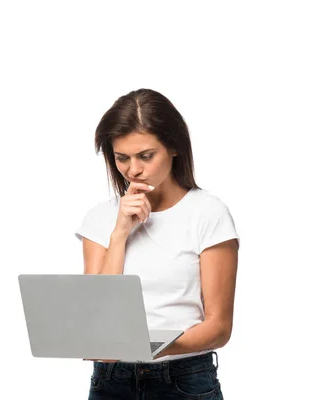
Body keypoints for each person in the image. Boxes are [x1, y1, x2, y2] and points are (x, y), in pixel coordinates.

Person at [75, 88, 239, 399]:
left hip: (184, 379)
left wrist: (154, 346)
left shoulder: (208, 214)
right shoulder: (99, 218)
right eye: (121, 158)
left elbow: (219, 326)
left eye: (146, 156)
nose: (133, 169)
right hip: (110, 382)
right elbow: (96, 315)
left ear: (174, 147)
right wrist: (120, 233)